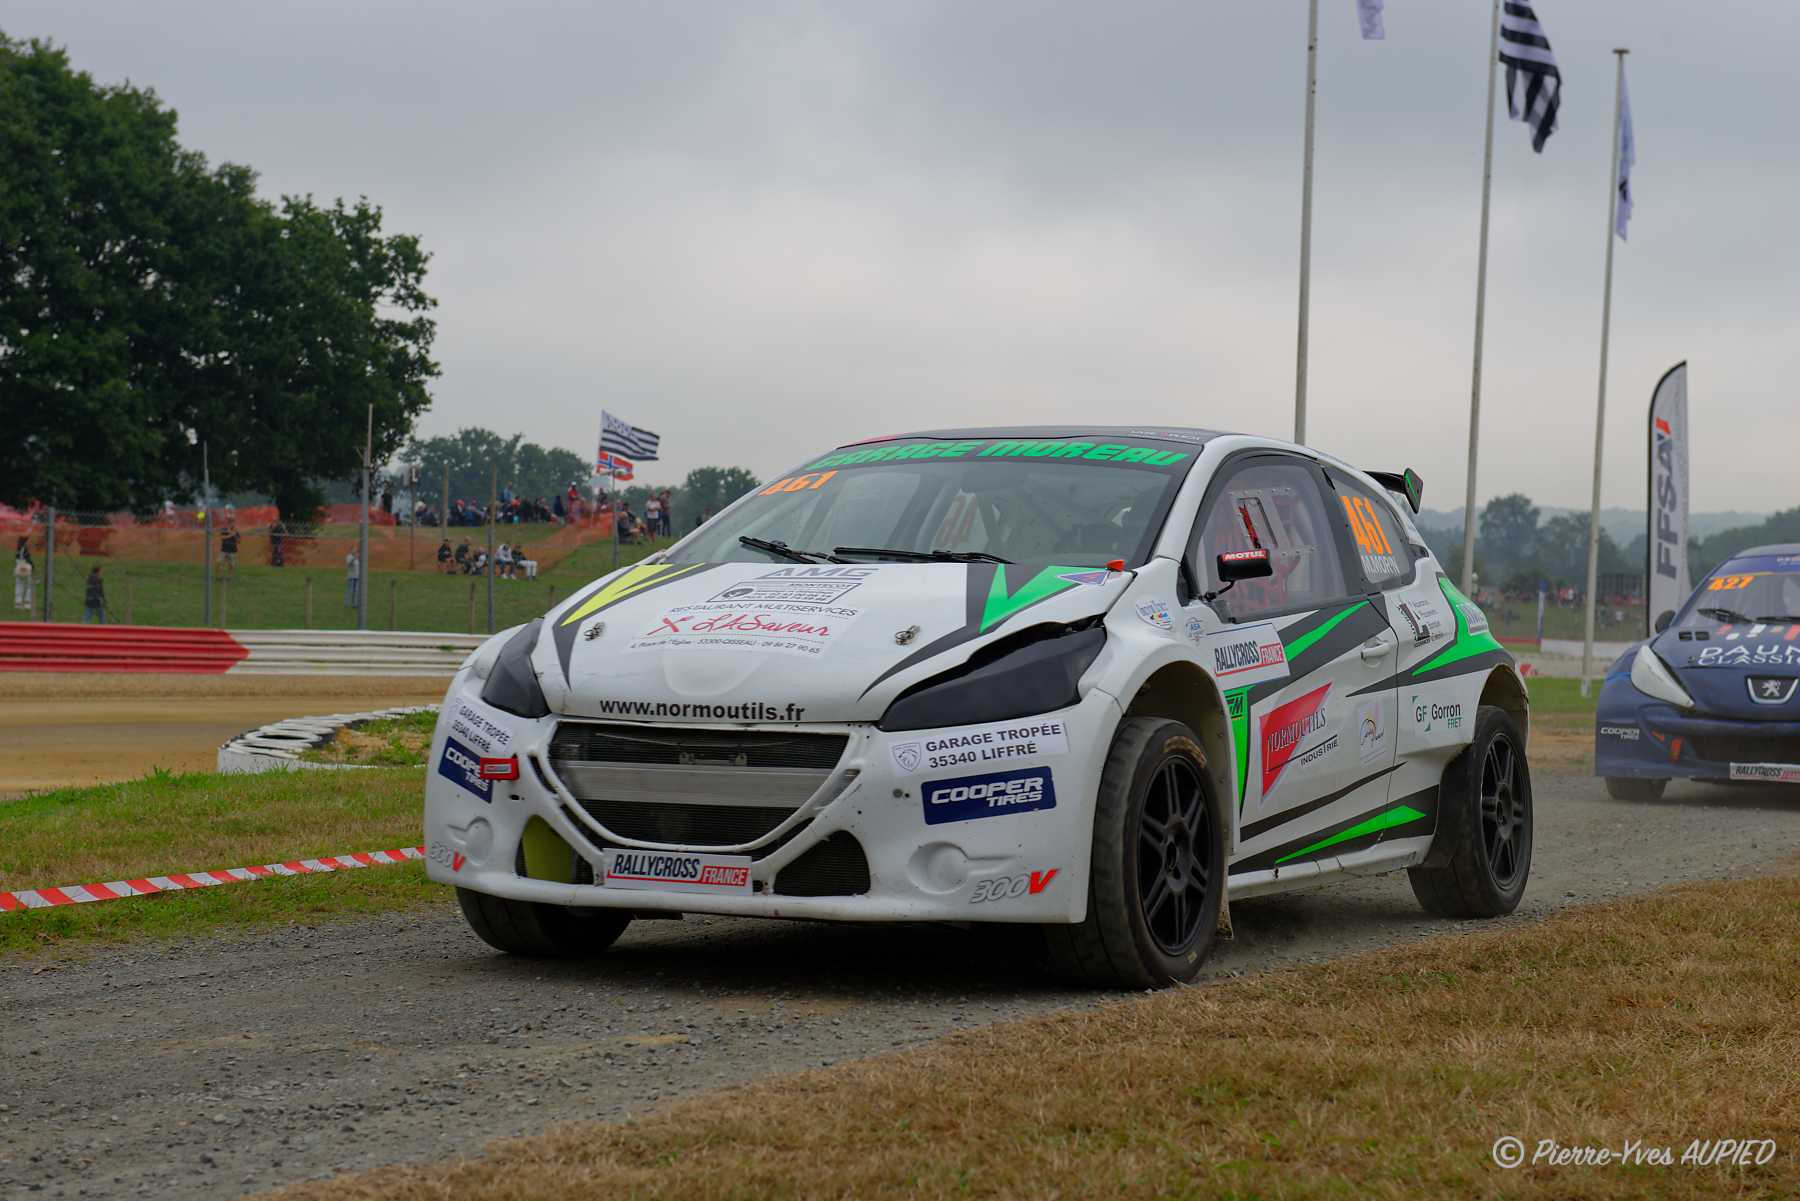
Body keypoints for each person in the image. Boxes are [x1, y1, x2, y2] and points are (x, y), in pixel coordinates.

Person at [12, 537, 32, 611]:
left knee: (19, 584)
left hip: (18, 565)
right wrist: (32, 566)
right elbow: (27, 559)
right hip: (24, 566)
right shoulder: (24, 549)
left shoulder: (19, 548)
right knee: (29, 585)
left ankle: (18, 602)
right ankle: (27, 603)